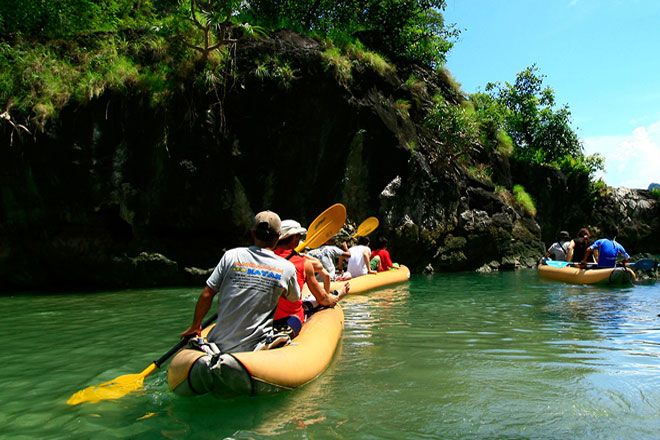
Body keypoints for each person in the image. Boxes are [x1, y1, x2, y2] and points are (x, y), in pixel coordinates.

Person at [180, 211, 300, 353]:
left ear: (253, 233)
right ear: (278, 236)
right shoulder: (287, 267)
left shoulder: (231, 255)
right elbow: (294, 298)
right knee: (295, 322)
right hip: (255, 348)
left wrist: (195, 325)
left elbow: (207, 294)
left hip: (218, 345)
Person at [273, 220, 350, 338]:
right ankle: (337, 293)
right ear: (293, 238)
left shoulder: (263, 258)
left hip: (266, 318)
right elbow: (323, 299)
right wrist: (339, 295)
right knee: (318, 299)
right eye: (299, 236)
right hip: (291, 319)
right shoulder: (303, 263)